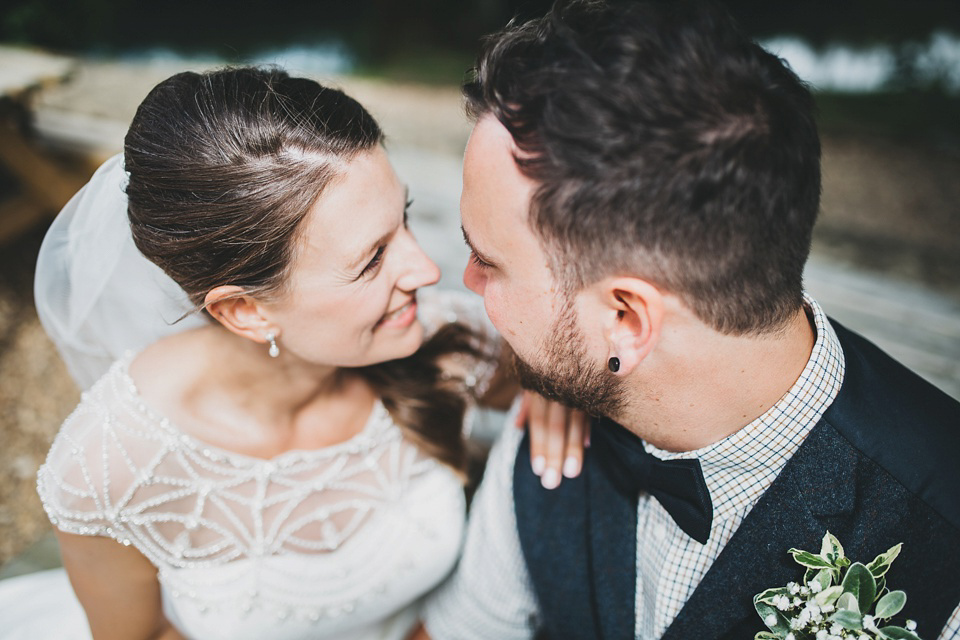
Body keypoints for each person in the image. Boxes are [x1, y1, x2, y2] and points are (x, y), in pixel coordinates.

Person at [415, 1, 960, 639]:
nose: (466, 280)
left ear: (625, 318)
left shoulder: (941, 529)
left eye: (486, 260)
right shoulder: (547, 428)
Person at [0, 67, 583, 640]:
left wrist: (554, 384)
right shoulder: (106, 469)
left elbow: (575, 355)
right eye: (372, 259)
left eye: (402, 219)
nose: (427, 271)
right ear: (246, 311)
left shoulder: (445, 343)